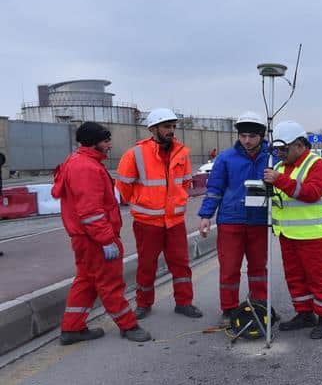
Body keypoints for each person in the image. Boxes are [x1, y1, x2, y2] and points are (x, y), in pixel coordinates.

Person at [51, 122, 150, 344]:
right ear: (93, 143)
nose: (109, 145)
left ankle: (72, 328)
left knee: (86, 281)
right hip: (95, 239)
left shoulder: (77, 161)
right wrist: (106, 240)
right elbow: (91, 211)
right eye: (106, 141)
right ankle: (129, 325)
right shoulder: (86, 168)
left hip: (85, 238)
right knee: (110, 282)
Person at [116, 108, 202, 320]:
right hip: (148, 221)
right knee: (147, 265)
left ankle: (184, 303)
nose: (171, 130)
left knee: (180, 263)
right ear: (153, 129)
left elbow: (185, 183)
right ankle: (143, 304)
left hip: (174, 221)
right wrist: (143, 202)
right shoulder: (135, 153)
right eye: (166, 126)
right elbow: (123, 186)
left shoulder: (182, 152)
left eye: (173, 126)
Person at [263, 120, 322, 339]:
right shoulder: (279, 167)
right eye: (277, 149)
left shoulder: (320, 166)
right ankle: (305, 314)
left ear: (299, 145)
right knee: (295, 277)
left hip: (315, 235)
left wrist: (280, 181)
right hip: (288, 234)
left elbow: (311, 192)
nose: (279, 153)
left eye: (283, 149)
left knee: (320, 278)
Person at [197, 111, 275, 327]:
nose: (247, 140)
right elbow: (214, 189)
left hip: (259, 221)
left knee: (259, 267)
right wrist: (205, 216)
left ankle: (259, 304)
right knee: (229, 268)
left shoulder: (272, 158)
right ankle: (229, 309)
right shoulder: (225, 158)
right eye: (243, 136)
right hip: (231, 221)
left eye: (252, 136)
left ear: (261, 135)